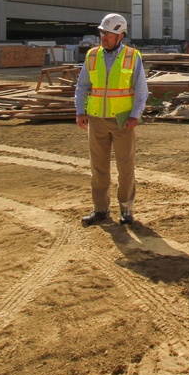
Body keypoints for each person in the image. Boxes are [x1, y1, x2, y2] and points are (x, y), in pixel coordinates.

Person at [74, 13, 148, 227]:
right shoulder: (92, 55)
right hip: (96, 119)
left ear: (120, 35)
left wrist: (135, 115)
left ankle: (126, 209)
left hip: (123, 121)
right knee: (98, 168)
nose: (103, 37)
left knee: (126, 167)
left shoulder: (133, 56)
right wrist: (80, 111)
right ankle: (100, 210)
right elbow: (82, 86)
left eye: (108, 34)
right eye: (102, 33)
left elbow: (141, 90)